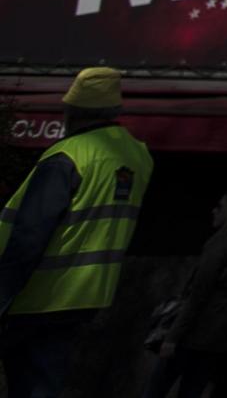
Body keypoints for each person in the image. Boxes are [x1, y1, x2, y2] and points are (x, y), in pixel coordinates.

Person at [0, 66, 155, 398]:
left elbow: (29, 234)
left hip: (36, 295)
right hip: (85, 295)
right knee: (45, 378)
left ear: (74, 111)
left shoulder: (68, 156)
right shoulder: (137, 156)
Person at [161, 190, 227, 398]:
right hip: (219, 337)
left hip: (194, 333)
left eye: (219, 207)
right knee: (192, 390)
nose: (213, 211)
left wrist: (172, 337)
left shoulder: (222, 245)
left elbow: (197, 295)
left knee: (158, 387)